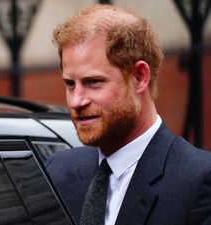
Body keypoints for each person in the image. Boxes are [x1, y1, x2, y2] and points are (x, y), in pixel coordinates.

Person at [46, 3, 211, 225]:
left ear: (140, 77)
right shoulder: (56, 172)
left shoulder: (196, 180)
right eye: (70, 84)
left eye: (93, 82)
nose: (76, 101)